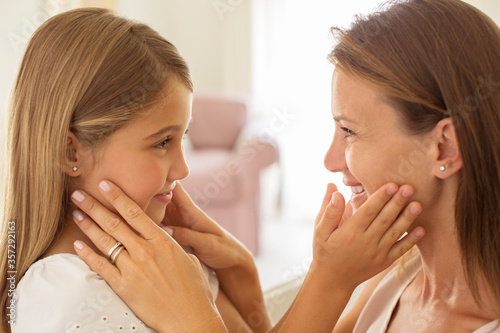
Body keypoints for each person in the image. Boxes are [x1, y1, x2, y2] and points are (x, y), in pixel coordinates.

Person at [63, 0, 500, 332]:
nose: (330, 160)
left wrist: (195, 321)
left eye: (349, 131)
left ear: (442, 149)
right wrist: (247, 283)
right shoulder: (392, 277)